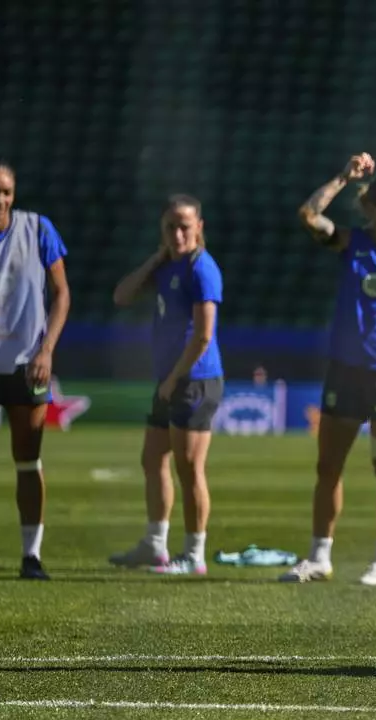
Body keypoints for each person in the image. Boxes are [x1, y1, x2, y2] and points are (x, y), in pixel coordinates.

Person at [280, 153, 376, 585]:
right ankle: (319, 557)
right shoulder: (352, 242)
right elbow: (309, 215)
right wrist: (343, 179)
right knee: (328, 466)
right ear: (372, 208)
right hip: (346, 370)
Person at [0, 157, 72, 580]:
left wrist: (47, 350)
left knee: (29, 460)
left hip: (26, 363)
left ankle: (31, 557)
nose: (0, 198)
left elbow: (61, 294)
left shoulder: (38, 229)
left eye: (6, 190)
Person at [109, 195, 224, 575]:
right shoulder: (166, 266)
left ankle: (193, 555)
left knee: (189, 468)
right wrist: (155, 259)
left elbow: (204, 335)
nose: (177, 233)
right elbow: (122, 296)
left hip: (194, 380)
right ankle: (155, 544)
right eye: (170, 227)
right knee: (152, 459)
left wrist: (173, 379)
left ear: (199, 227)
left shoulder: (201, 269)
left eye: (184, 226)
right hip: (169, 381)